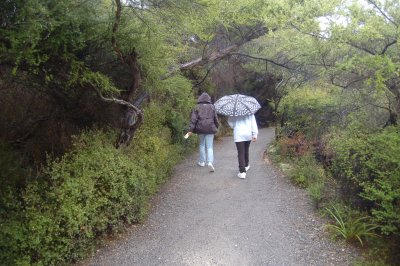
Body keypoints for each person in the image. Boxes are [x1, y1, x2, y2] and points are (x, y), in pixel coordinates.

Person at [187, 92, 220, 172]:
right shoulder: (212, 107)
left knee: (202, 144)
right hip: (210, 128)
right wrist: (217, 126)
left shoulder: (197, 107)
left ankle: (202, 162)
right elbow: (215, 118)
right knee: (209, 147)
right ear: (208, 99)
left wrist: (190, 129)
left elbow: (193, 119)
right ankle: (210, 162)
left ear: (200, 99)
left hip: (200, 128)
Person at [228, 114, 258, 179]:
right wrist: (255, 134)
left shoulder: (234, 111)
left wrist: (235, 126)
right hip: (248, 133)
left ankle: (242, 172)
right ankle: (246, 165)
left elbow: (230, 122)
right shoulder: (250, 111)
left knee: (241, 152)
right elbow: (253, 123)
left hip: (238, 133)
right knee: (246, 149)